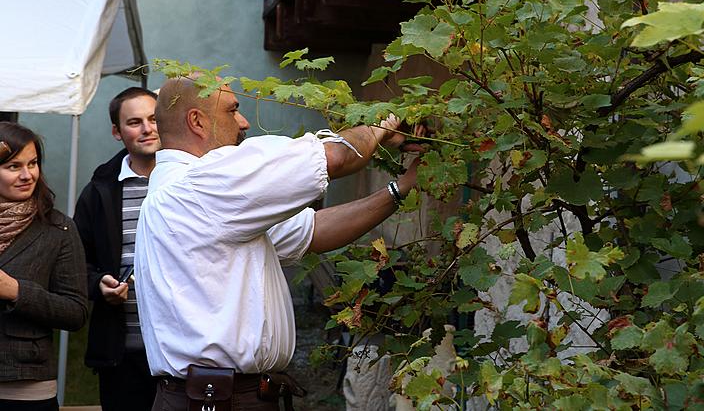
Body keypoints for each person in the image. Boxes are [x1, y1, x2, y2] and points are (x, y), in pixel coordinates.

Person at [135, 77, 422, 411]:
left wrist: (401, 188)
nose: (243, 123)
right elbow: (337, 157)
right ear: (197, 121)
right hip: (218, 401)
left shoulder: (201, 196)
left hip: (224, 397)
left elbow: (312, 230)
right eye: (233, 110)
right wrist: (384, 126)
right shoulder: (201, 186)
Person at [73, 87, 161, 411]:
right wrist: (98, 284)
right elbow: (76, 262)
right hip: (121, 350)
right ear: (117, 132)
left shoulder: (186, 181)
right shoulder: (100, 190)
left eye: (153, 119)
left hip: (179, 349)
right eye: (135, 122)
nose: (147, 129)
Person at [0, 122, 88, 411]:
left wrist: (17, 291)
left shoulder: (57, 228)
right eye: (14, 166)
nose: (28, 175)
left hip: (25, 388)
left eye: (33, 163)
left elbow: (75, 312)